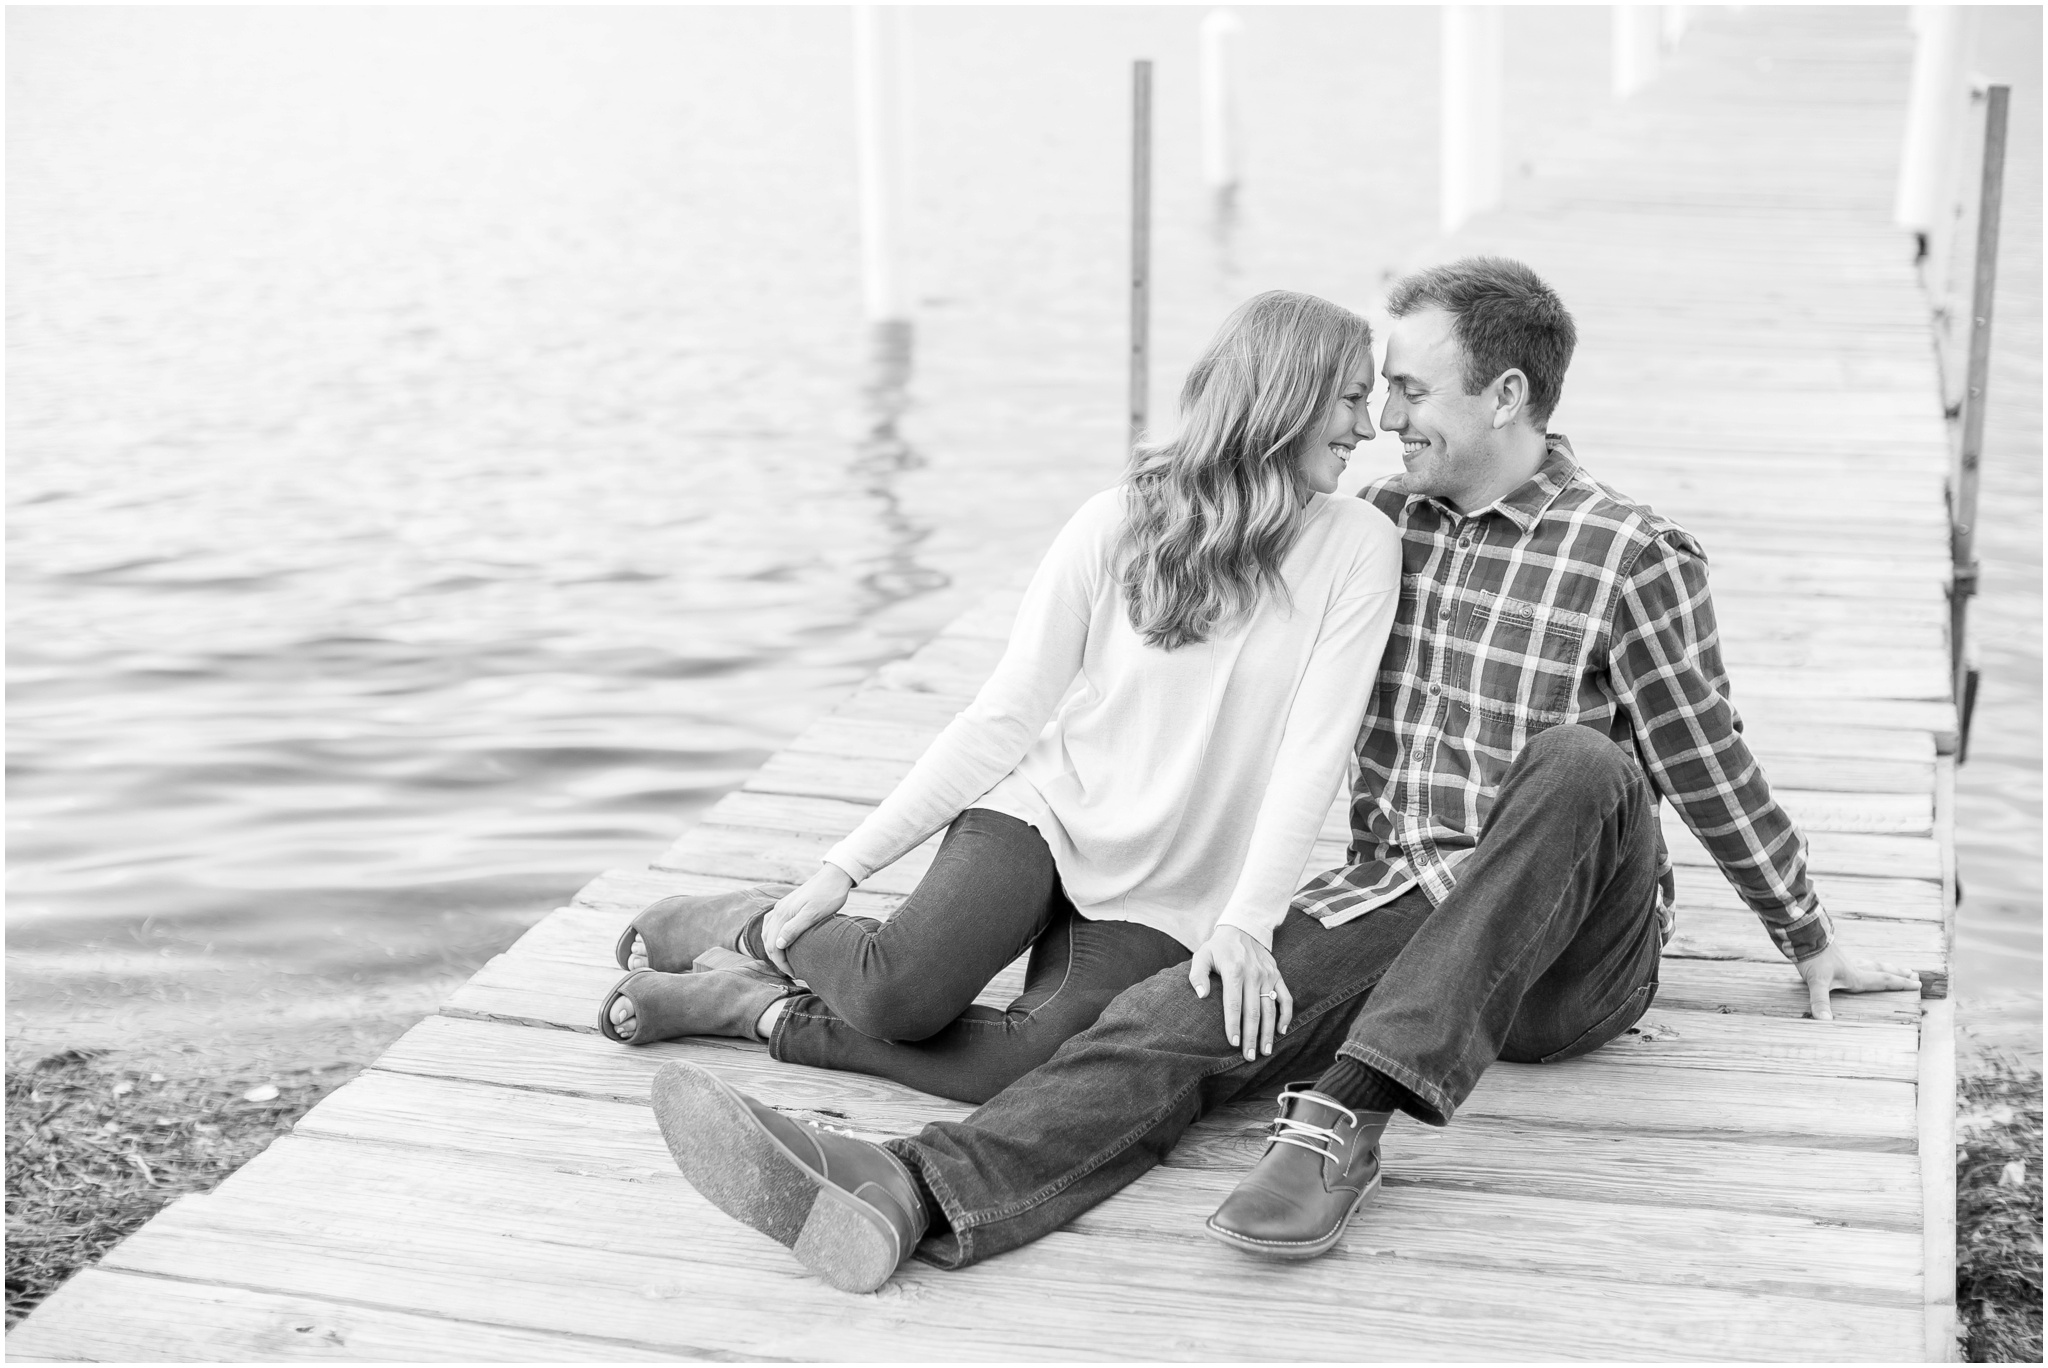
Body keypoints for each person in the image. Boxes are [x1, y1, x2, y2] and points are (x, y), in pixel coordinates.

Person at [641, 257, 1920, 1293]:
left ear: (1508, 396)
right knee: (1168, 1017)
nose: (1382, 421)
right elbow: (1241, 606)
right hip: (1398, 904)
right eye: (1370, 397)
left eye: (1408, 392)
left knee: (1581, 761)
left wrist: (1805, 933)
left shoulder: (1628, 551)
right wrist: (1240, 928)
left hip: (1568, 956)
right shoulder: (1383, 527)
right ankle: (911, 1189)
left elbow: (1702, 752)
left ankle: (1341, 1116)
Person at [598, 288, 1403, 1109]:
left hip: (1171, 888)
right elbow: (1004, 715)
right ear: (1284, 397)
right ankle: (749, 922)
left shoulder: (1358, 548)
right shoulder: (1117, 522)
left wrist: (1248, 923)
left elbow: (1315, 755)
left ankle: (750, 1004)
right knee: (896, 996)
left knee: (1037, 1068)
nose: (1367, 429)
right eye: (1350, 399)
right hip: (1046, 816)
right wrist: (845, 867)